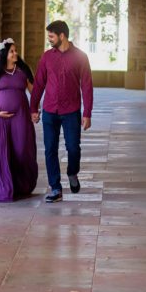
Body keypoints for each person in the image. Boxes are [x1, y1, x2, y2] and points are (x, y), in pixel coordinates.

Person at [30, 20, 93, 203]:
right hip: (50, 110)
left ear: (62, 36)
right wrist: (33, 107)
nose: (49, 39)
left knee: (73, 148)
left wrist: (87, 113)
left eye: (51, 36)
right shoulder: (47, 57)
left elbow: (87, 86)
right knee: (50, 149)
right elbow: (39, 83)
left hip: (71, 111)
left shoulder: (80, 57)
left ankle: (72, 172)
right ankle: (55, 188)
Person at [0, 38, 39, 202]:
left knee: (21, 150)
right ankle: (2, 190)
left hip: (21, 117)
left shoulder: (23, 71)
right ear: (4, 55)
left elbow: (34, 93)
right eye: (12, 51)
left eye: (15, 50)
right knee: (1, 152)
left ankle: (21, 186)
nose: (15, 53)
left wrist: (35, 111)